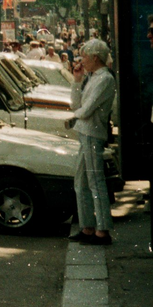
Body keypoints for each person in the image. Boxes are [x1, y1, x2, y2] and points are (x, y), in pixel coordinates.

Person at [67, 39, 116, 245]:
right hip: (85, 132)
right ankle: (87, 227)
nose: (82, 61)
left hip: (93, 133)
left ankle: (102, 229)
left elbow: (86, 110)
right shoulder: (92, 77)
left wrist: (73, 117)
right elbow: (77, 105)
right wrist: (76, 81)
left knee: (95, 181)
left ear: (95, 57)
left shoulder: (104, 79)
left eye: (84, 56)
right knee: (81, 182)